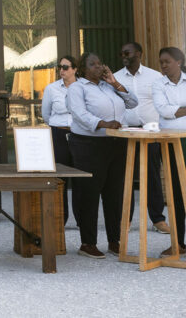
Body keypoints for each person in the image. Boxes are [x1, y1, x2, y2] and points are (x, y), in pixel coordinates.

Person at [66, 52, 138, 258]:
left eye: (100, 63)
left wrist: (115, 83)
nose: (99, 67)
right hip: (89, 145)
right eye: (93, 64)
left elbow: (132, 103)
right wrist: (104, 124)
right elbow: (79, 114)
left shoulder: (109, 86)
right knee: (89, 193)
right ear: (82, 69)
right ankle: (88, 243)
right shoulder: (77, 88)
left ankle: (114, 241)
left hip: (115, 143)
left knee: (114, 194)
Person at [115, 42, 170, 233]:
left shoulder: (155, 76)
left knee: (153, 176)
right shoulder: (115, 78)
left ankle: (158, 219)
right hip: (126, 133)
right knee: (125, 177)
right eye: (122, 53)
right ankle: (126, 220)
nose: (124, 55)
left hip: (150, 132)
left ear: (139, 53)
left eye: (127, 52)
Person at [151, 46, 186, 259]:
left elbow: (172, 110)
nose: (163, 65)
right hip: (172, 142)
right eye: (161, 62)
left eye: (167, 61)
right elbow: (163, 110)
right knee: (176, 193)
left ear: (179, 62)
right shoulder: (158, 84)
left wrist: (177, 109)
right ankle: (178, 242)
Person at [41, 54, 77, 225]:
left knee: (80, 178)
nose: (61, 70)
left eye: (66, 67)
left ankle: (81, 219)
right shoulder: (52, 88)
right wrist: (58, 126)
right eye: (60, 67)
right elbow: (46, 114)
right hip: (59, 134)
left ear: (75, 69)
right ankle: (61, 218)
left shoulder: (83, 86)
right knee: (60, 177)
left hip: (79, 135)